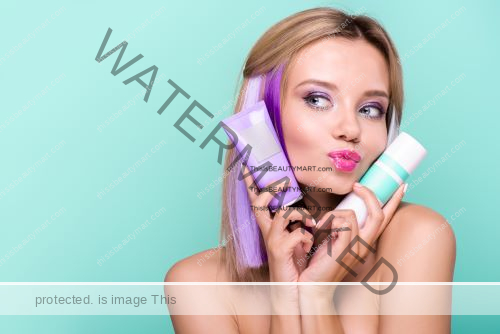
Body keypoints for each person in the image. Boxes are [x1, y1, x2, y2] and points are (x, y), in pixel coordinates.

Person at [165, 7, 456, 333]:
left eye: (370, 109)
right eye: (317, 100)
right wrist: (286, 296)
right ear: (266, 113)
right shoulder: (196, 284)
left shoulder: (416, 237)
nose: (351, 129)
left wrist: (317, 294)